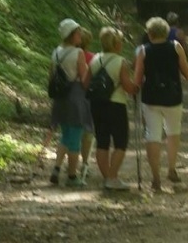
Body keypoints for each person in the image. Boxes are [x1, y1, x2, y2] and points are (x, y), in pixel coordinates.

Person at [134, 16, 188, 192]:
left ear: (150, 34)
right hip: (173, 96)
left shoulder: (143, 51)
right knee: (173, 132)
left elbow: (137, 79)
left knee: (152, 135)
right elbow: (186, 72)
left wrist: (133, 89)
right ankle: (171, 169)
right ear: (165, 32)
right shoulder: (176, 47)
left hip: (151, 98)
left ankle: (156, 178)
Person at [88, 26, 138, 190]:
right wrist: (136, 87)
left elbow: (86, 83)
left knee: (102, 141)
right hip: (116, 104)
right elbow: (128, 87)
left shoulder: (95, 59)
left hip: (97, 104)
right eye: (120, 41)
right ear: (116, 44)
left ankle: (108, 177)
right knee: (120, 142)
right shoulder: (120, 61)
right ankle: (112, 177)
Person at [49, 18, 90, 187]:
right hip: (75, 98)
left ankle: (57, 168)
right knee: (75, 137)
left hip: (60, 98)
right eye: (78, 33)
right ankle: (72, 176)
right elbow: (85, 78)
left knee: (65, 135)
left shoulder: (56, 52)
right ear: (72, 35)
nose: (80, 35)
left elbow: (51, 76)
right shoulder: (78, 53)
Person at [77, 28, 95, 178]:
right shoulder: (92, 58)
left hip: (70, 97)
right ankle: (84, 163)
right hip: (88, 97)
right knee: (88, 133)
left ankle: (71, 162)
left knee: (72, 131)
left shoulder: (67, 55)